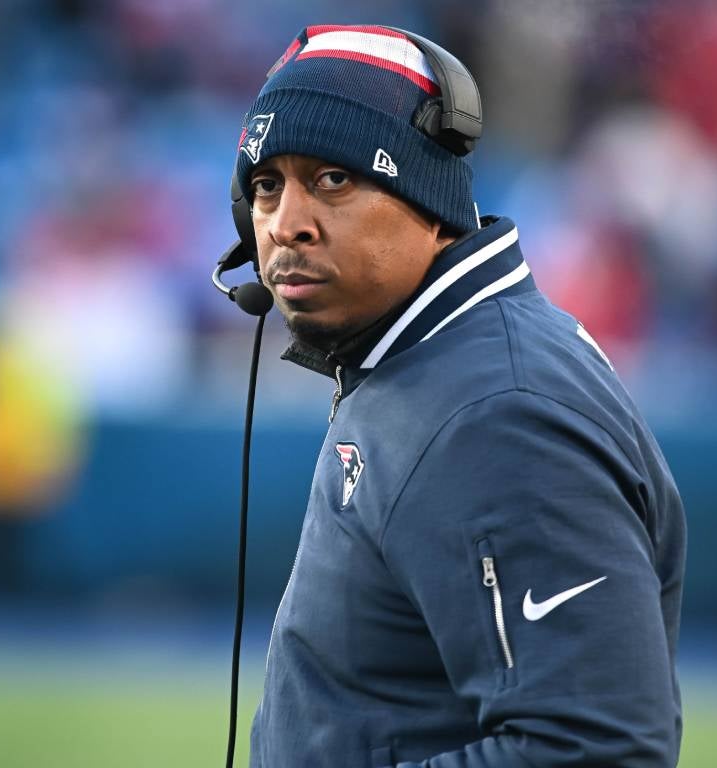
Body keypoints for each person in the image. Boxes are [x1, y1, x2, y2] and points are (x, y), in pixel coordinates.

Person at [235, 24, 686, 767]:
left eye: (333, 179)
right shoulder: (423, 362)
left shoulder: (498, 409)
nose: (284, 225)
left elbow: (599, 749)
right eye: (264, 185)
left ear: (427, 196)